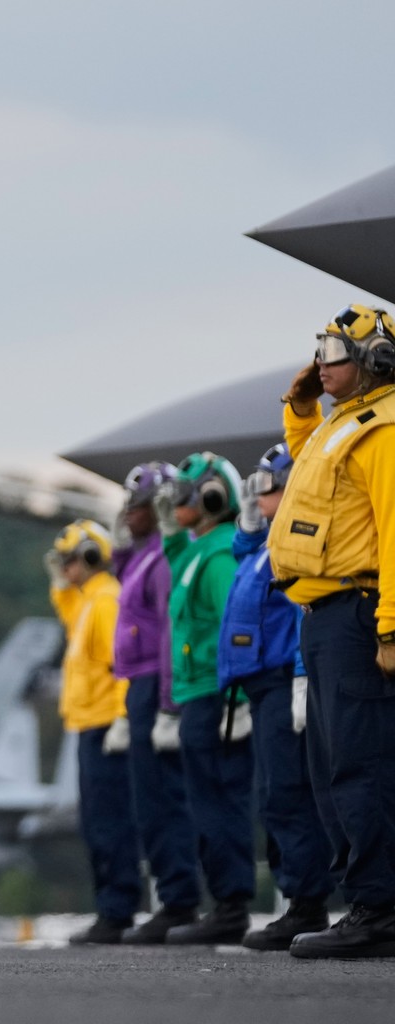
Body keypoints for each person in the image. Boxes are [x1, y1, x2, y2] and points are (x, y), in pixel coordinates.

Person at [269, 304, 395, 958]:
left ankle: (380, 909)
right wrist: (299, 404)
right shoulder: (340, 426)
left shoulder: (386, 428)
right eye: (319, 348)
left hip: (356, 613)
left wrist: (392, 627)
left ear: (375, 360)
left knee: (360, 765)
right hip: (321, 619)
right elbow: (306, 470)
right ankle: (365, 904)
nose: (322, 361)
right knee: (329, 768)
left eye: (336, 350)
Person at [222, 443, 335, 950]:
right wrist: (248, 527)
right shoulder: (270, 541)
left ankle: (306, 902)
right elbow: (250, 565)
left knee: (289, 794)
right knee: (275, 796)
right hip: (263, 683)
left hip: (282, 677)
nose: (256, 495)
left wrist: (300, 674)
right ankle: (299, 900)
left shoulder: (298, 538)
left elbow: (296, 610)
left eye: (263, 487)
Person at [155, 451, 256, 945]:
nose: (174, 508)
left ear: (212, 499)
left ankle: (232, 907)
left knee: (219, 802)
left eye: (184, 499)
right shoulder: (199, 550)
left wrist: (235, 694)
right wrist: (171, 532)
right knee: (204, 803)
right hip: (197, 694)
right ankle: (224, 903)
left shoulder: (218, 555)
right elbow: (176, 564)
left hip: (215, 695)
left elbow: (230, 621)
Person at [109, 463, 203, 945]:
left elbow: (169, 630)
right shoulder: (144, 556)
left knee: (163, 799)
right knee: (148, 801)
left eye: (137, 506)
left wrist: (168, 704)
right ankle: (174, 895)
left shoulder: (166, 557)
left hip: (155, 683)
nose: (128, 514)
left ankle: (180, 898)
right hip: (139, 685)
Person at [43, 520, 142, 945]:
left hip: (106, 726)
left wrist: (123, 717)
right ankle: (110, 909)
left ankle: (116, 912)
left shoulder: (105, 602)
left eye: (68, 561)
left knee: (110, 823)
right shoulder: (87, 601)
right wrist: (62, 586)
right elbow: (68, 617)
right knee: (97, 821)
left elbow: (123, 664)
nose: (64, 570)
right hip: (89, 725)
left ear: (86, 558)